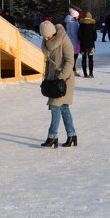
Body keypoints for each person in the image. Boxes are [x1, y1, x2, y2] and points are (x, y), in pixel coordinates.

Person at [38, 20, 76, 148]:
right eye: (44, 36)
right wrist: (47, 79)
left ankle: (52, 136)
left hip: (64, 80)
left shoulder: (64, 40)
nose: (46, 38)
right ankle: (72, 135)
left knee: (55, 107)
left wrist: (60, 78)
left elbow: (70, 61)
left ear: (53, 33)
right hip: (53, 80)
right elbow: (48, 63)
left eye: (48, 36)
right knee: (64, 108)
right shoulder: (46, 43)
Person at [76, 12, 98, 78]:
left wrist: (81, 39)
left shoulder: (81, 25)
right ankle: (91, 73)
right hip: (91, 44)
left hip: (83, 44)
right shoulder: (93, 25)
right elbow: (95, 36)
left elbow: (79, 35)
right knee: (91, 59)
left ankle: (85, 73)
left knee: (84, 58)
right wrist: (93, 39)